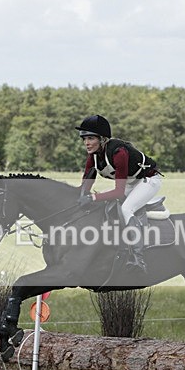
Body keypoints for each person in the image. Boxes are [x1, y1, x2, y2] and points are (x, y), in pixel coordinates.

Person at [75, 114, 162, 273]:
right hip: (131, 182)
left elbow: (118, 192)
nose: (86, 143)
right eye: (84, 139)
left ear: (102, 139)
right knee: (105, 205)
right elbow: (87, 181)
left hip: (148, 181)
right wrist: (82, 197)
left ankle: (137, 258)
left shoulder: (119, 152)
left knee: (126, 208)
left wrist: (92, 197)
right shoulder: (93, 156)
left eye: (91, 138)